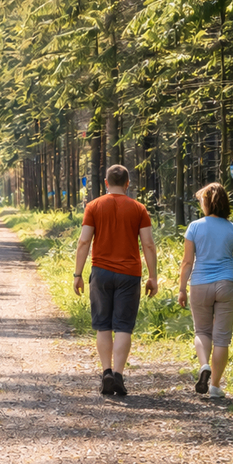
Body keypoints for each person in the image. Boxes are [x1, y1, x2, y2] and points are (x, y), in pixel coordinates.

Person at [73, 164, 159, 396]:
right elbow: (148, 244)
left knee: (103, 325)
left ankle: (106, 373)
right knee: (123, 326)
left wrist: (78, 274)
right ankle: (119, 375)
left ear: (105, 182)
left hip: (100, 272)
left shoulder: (93, 206)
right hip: (129, 274)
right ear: (128, 183)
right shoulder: (139, 209)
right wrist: (153, 276)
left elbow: (83, 242)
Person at [176, 182, 233, 399]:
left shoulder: (194, 227)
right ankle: (215, 387)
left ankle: (204, 366)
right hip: (227, 284)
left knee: (202, 332)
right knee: (222, 338)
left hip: (200, 283)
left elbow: (187, 262)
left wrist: (182, 289)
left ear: (207, 203)